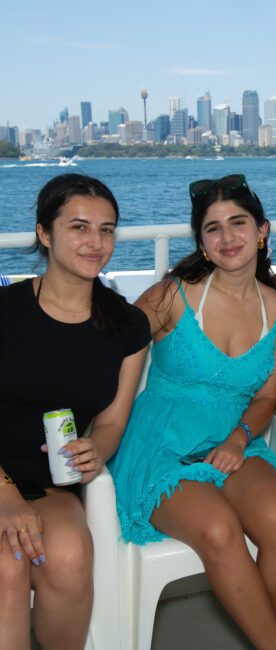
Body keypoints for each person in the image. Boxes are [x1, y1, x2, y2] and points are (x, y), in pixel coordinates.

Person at [108, 174, 276, 650]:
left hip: (233, 439)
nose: (227, 238)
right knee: (219, 530)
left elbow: (265, 398)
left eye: (238, 223)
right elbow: (108, 355)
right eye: (213, 228)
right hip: (161, 444)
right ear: (201, 242)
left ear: (262, 230)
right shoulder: (171, 297)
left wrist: (240, 438)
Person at [0, 173, 151, 650]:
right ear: (45, 234)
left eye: (107, 230)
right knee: (8, 565)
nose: (96, 242)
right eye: (79, 227)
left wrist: (96, 451)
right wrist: (5, 496)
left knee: (66, 554)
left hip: (49, 482)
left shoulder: (127, 325)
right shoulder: (6, 311)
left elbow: (111, 420)